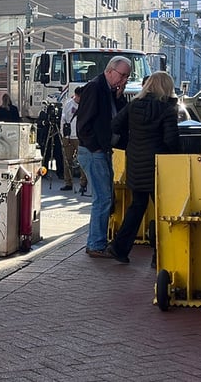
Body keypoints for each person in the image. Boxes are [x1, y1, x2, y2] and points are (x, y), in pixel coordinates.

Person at [106, 71, 180, 264]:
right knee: (162, 210)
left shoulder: (133, 105)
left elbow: (114, 125)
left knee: (137, 207)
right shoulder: (167, 110)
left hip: (136, 164)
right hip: (159, 166)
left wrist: (130, 141)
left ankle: (119, 248)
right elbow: (171, 140)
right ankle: (159, 255)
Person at [76, 56, 131, 258]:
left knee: (105, 197)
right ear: (110, 71)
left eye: (127, 76)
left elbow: (117, 118)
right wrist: (96, 148)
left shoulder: (108, 90)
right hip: (94, 151)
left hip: (100, 149)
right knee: (103, 198)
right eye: (123, 75)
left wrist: (118, 97)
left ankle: (97, 241)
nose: (124, 80)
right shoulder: (95, 88)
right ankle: (96, 243)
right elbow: (84, 124)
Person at [60, 86, 88, 193]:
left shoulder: (85, 105)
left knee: (82, 161)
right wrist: (64, 135)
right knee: (67, 160)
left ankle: (83, 183)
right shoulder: (68, 104)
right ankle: (68, 182)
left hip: (80, 136)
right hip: (69, 135)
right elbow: (63, 120)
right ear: (75, 95)